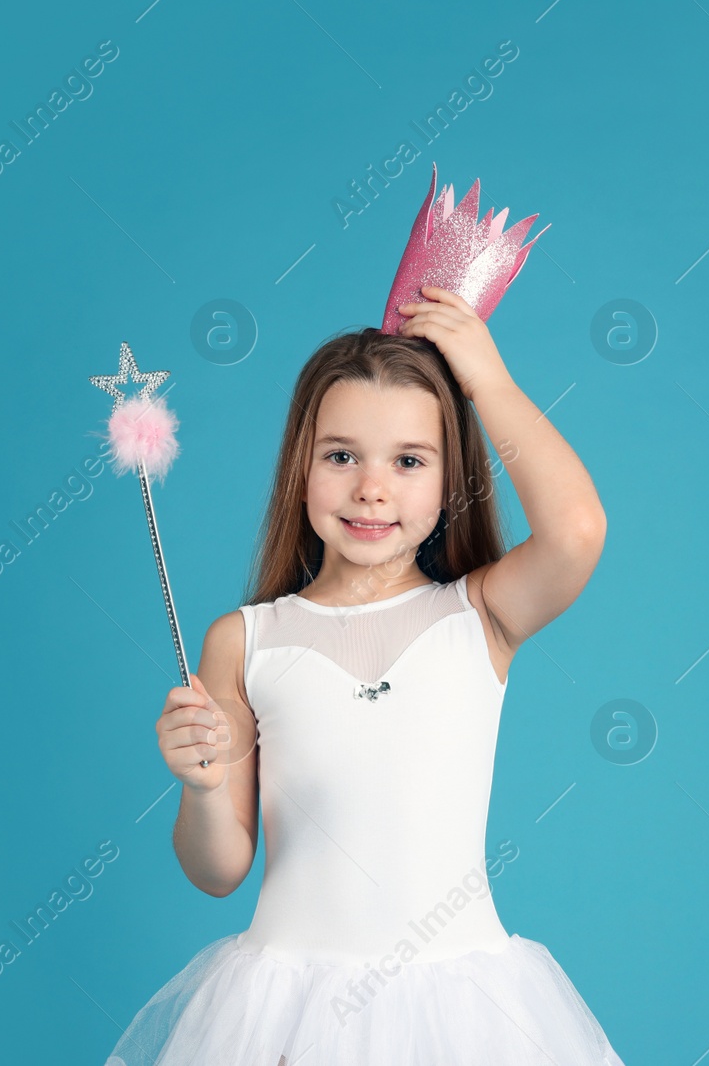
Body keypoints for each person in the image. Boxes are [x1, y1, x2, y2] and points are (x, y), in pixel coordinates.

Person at [105, 286, 623, 1064]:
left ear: (450, 480)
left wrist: (489, 382)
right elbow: (218, 870)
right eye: (340, 455)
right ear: (300, 471)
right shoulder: (246, 641)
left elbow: (577, 530)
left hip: (462, 1013)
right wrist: (203, 782)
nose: (371, 487)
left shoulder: (479, 614)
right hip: (283, 1016)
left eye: (409, 461)